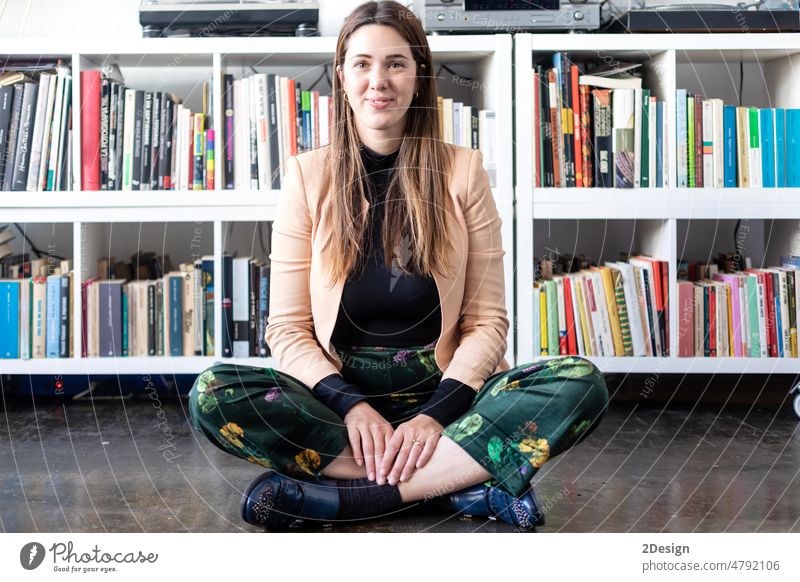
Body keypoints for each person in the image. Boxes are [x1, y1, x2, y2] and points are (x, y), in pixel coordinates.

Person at [188, 0, 609, 531]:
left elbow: (488, 324)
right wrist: (353, 407)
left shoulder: (463, 172)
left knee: (579, 382)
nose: (378, 80)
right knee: (214, 395)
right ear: (341, 76)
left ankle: (350, 497)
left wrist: (435, 415)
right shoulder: (306, 177)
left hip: (447, 390)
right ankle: (462, 483)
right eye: (362, 63)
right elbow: (288, 329)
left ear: (419, 76)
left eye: (396, 63)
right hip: (337, 396)